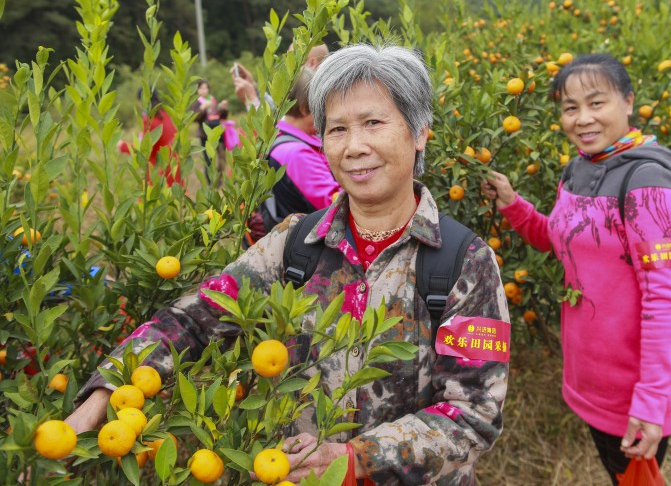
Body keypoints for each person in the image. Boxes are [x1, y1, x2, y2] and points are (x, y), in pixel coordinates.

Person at [69, 43, 510, 485]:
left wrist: (352, 459)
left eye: (373, 123)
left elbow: (472, 414)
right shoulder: (295, 243)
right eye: (337, 129)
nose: (354, 146)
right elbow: (195, 318)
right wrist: (109, 386)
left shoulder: (463, 262)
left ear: (419, 133)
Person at [482, 53, 671, 485]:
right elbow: (562, 242)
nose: (582, 119)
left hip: (635, 391)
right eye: (570, 107)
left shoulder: (649, 185)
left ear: (628, 101)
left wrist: (651, 403)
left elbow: (664, 303)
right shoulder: (580, 167)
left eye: (597, 103)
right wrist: (512, 205)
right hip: (592, 377)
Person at [244, 66, 342, 247]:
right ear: (304, 108)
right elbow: (333, 203)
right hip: (305, 243)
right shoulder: (296, 154)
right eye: (322, 108)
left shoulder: (280, 136)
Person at [117, 90, 184, 187]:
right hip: (173, 165)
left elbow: (145, 150)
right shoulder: (165, 114)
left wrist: (122, 146)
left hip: (159, 169)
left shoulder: (149, 121)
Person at [231, 44, 329, 109]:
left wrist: (251, 100)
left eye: (292, 60)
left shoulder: (316, 100)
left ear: (311, 63)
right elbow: (277, 111)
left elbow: (277, 127)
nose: (287, 66)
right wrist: (253, 88)